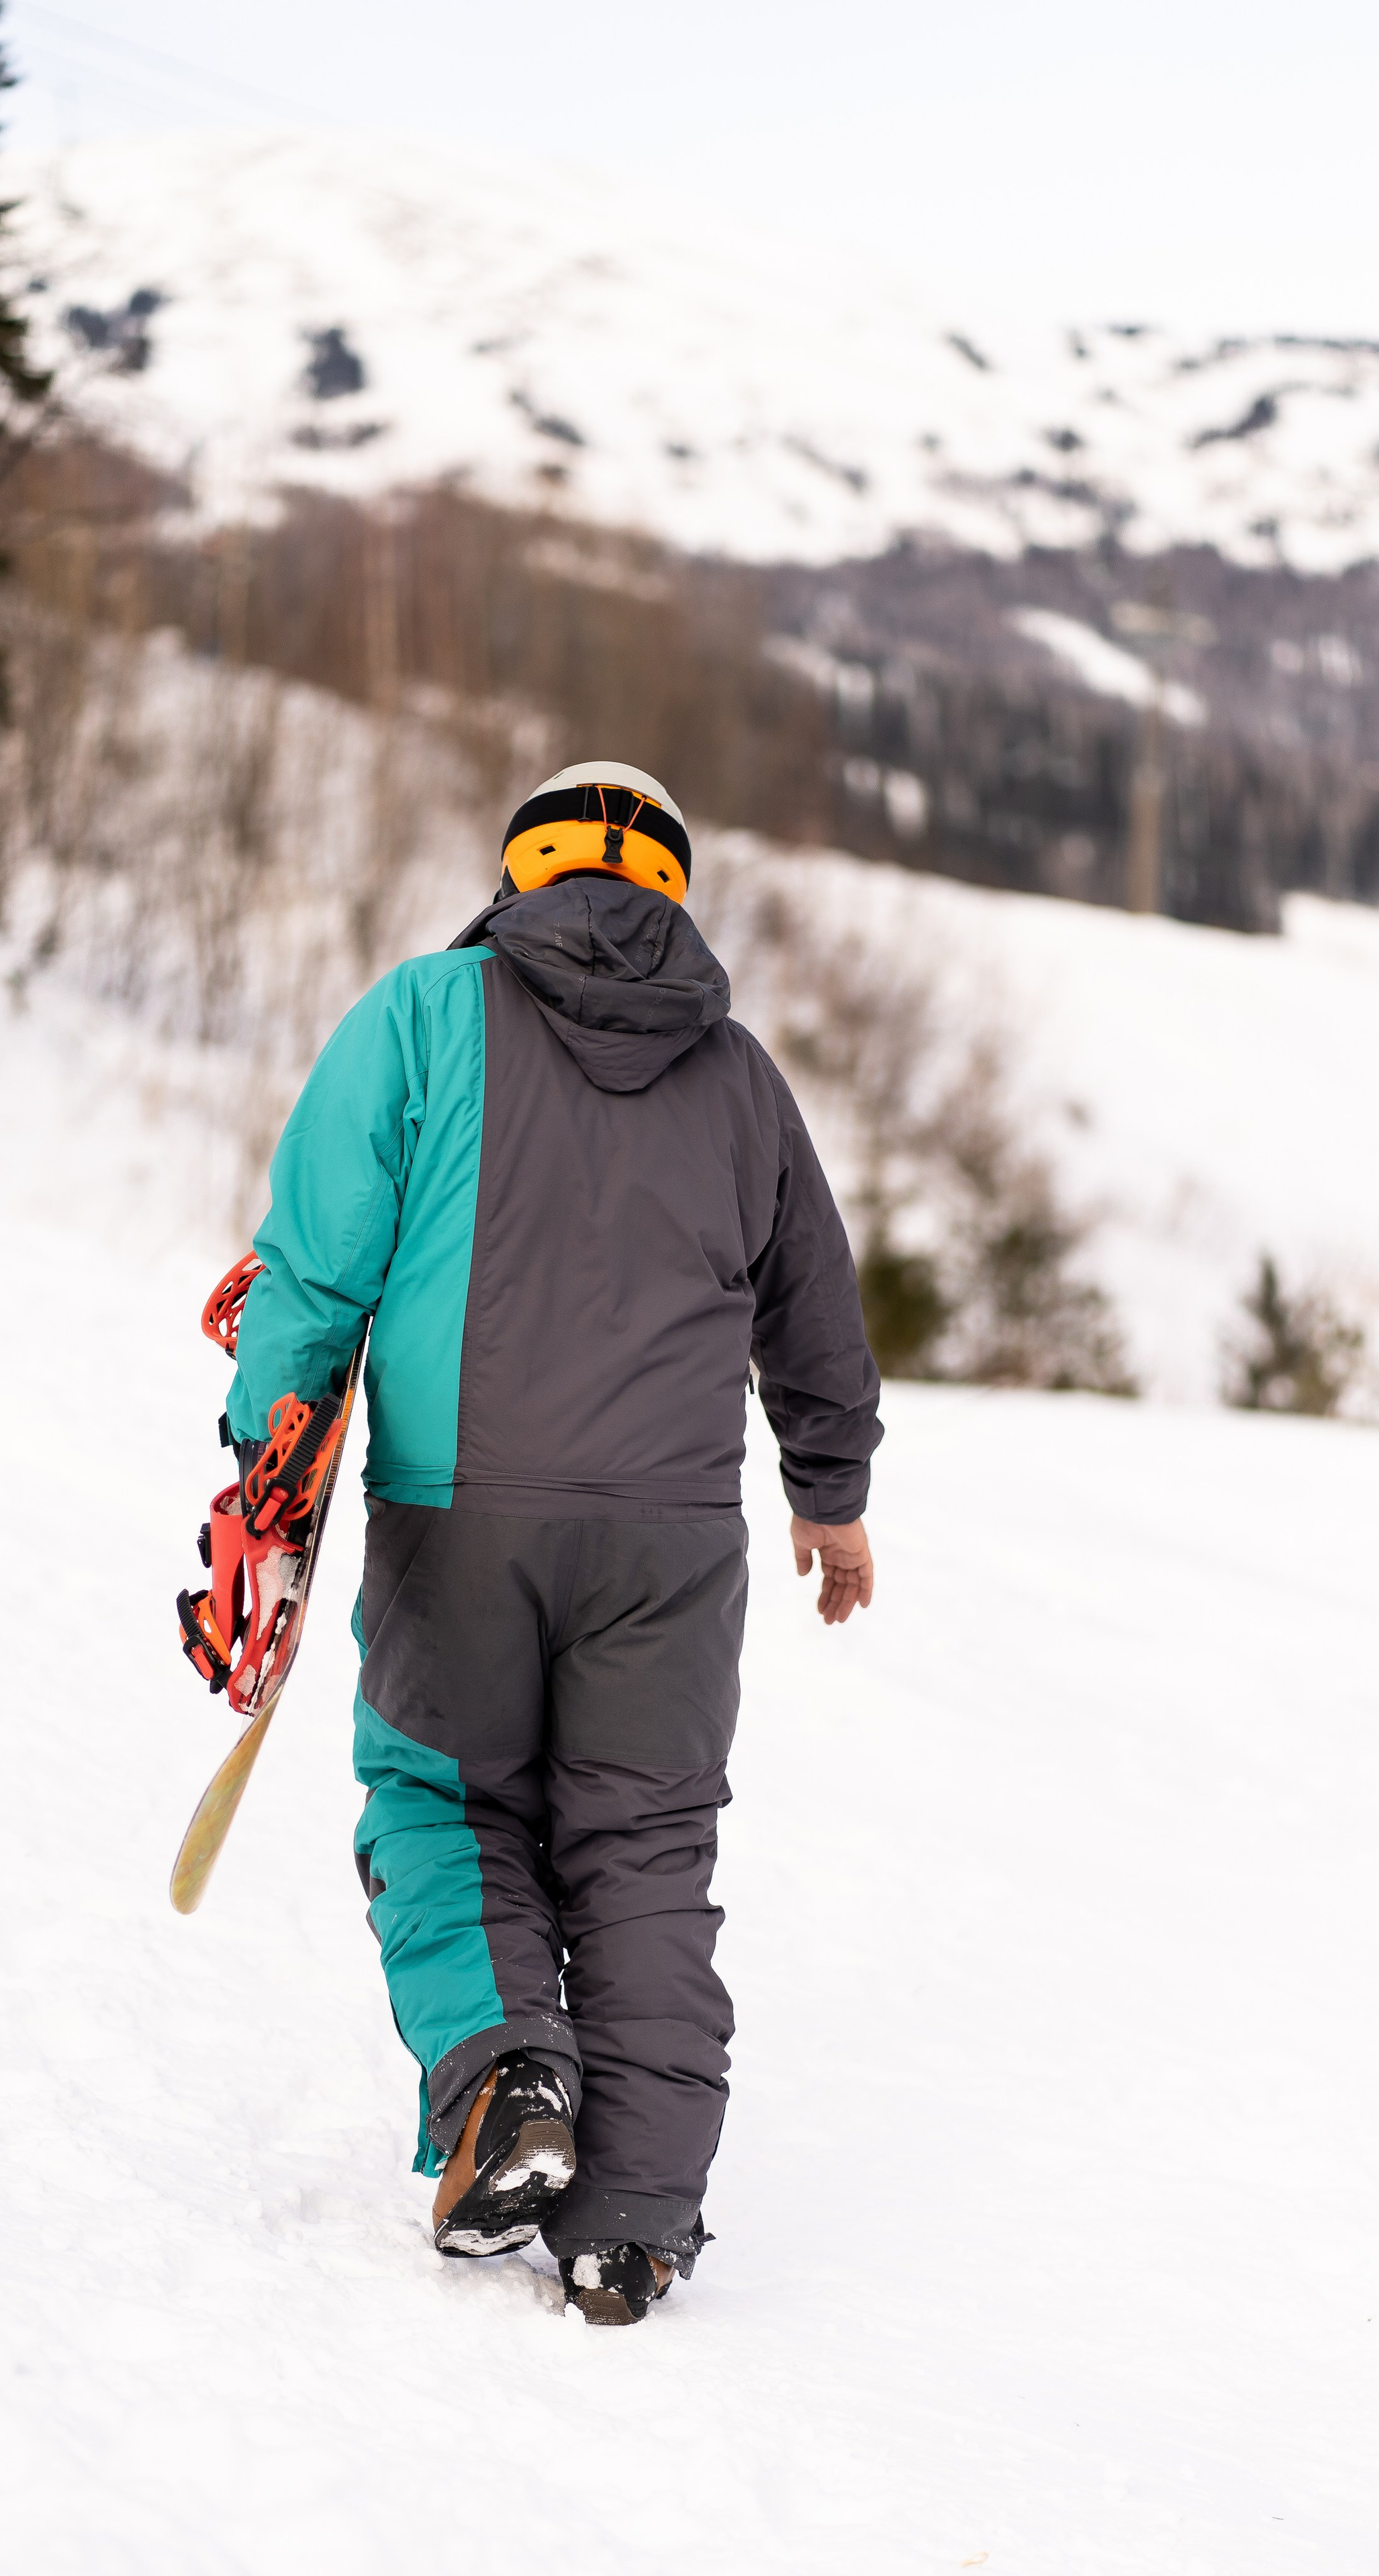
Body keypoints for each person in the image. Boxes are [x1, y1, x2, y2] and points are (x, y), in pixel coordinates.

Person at [224, 760, 882, 2325]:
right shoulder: (737, 1076)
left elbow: (318, 1263)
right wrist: (831, 1493)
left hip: (460, 1515)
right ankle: (634, 2221)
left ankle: (509, 2078)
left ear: (519, 868)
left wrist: (272, 1461)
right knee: (643, 1844)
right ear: (672, 885)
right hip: (668, 1542)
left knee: (446, 1807)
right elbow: (815, 1310)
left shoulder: (422, 1014)